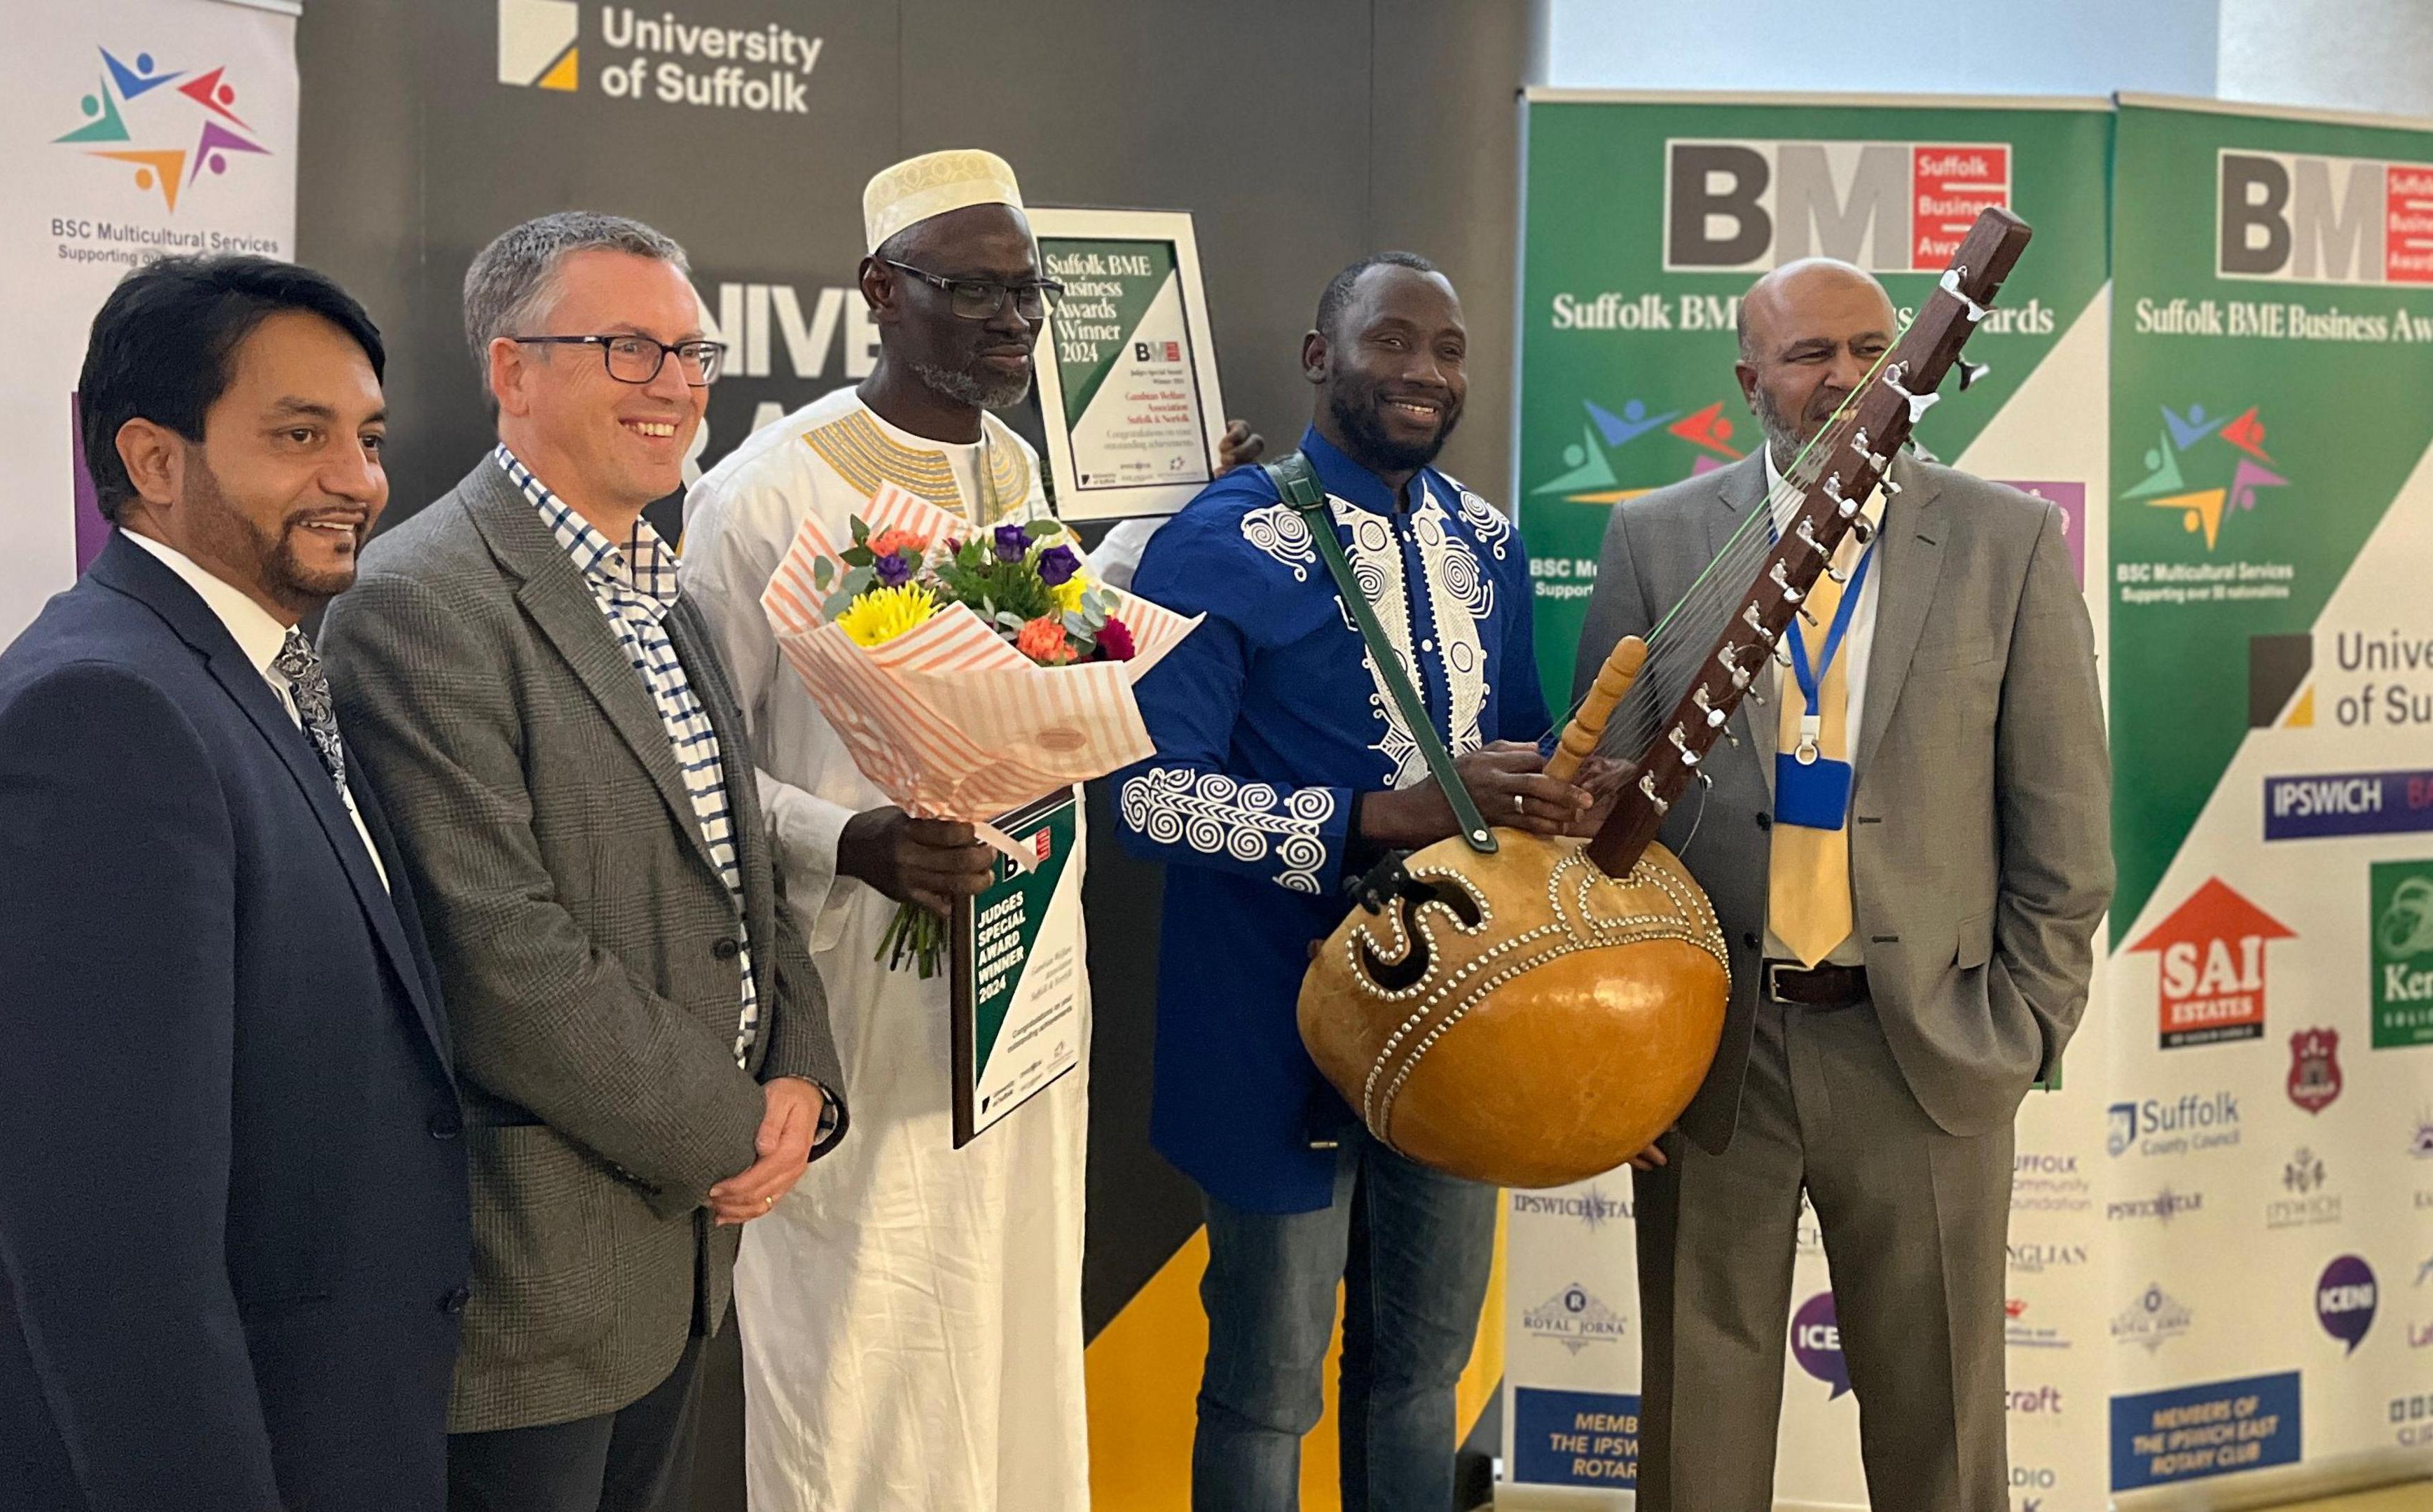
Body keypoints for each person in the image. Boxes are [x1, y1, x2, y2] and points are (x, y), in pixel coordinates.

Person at [0, 256, 467, 1512]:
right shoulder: (97, 720)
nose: (360, 481)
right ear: (155, 462)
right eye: (299, 435)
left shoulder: (247, 675)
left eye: (368, 438)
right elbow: (115, 1263)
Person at [318, 212, 847, 1512]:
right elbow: (499, 955)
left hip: (679, 1265)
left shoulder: (654, 575)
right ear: (513, 372)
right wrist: (736, 1126)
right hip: (540, 1281)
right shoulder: (419, 600)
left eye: (689, 352)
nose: (674, 384)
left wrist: (803, 1077)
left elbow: (743, 866)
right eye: (627, 347)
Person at [1569, 257, 2111, 1510]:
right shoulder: (1655, 541)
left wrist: (2019, 1028)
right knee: (1697, 1440)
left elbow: (2065, 828)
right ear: (1748, 379)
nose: (1849, 379)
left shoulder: (2005, 540)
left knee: (1945, 1440)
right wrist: (1622, 1061)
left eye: (1875, 347)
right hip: (1717, 1056)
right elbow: (1606, 845)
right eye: (1812, 354)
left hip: (1920, 1050)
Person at [1116, 251, 1573, 1512]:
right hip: (1270, 1027)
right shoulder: (1217, 541)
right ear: (1322, 357)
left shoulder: (1489, 541)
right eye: (1390, 342)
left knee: (1422, 1373)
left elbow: (1521, 775)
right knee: (1267, 1393)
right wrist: (1378, 816)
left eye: (1448, 349)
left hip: (1461, 1024)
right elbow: (1149, 800)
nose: (1424, 373)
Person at [676, 149, 1089, 1511]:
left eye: (1027, 292)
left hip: (1022, 980)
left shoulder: (1024, 467)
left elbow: (1046, 687)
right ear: (878, 292)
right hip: (855, 993)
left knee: (1016, 1321)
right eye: (974, 290)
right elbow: (689, 764)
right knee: (860, 1348)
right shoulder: (763, 491)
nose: (1013, 319)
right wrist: (849, 841)